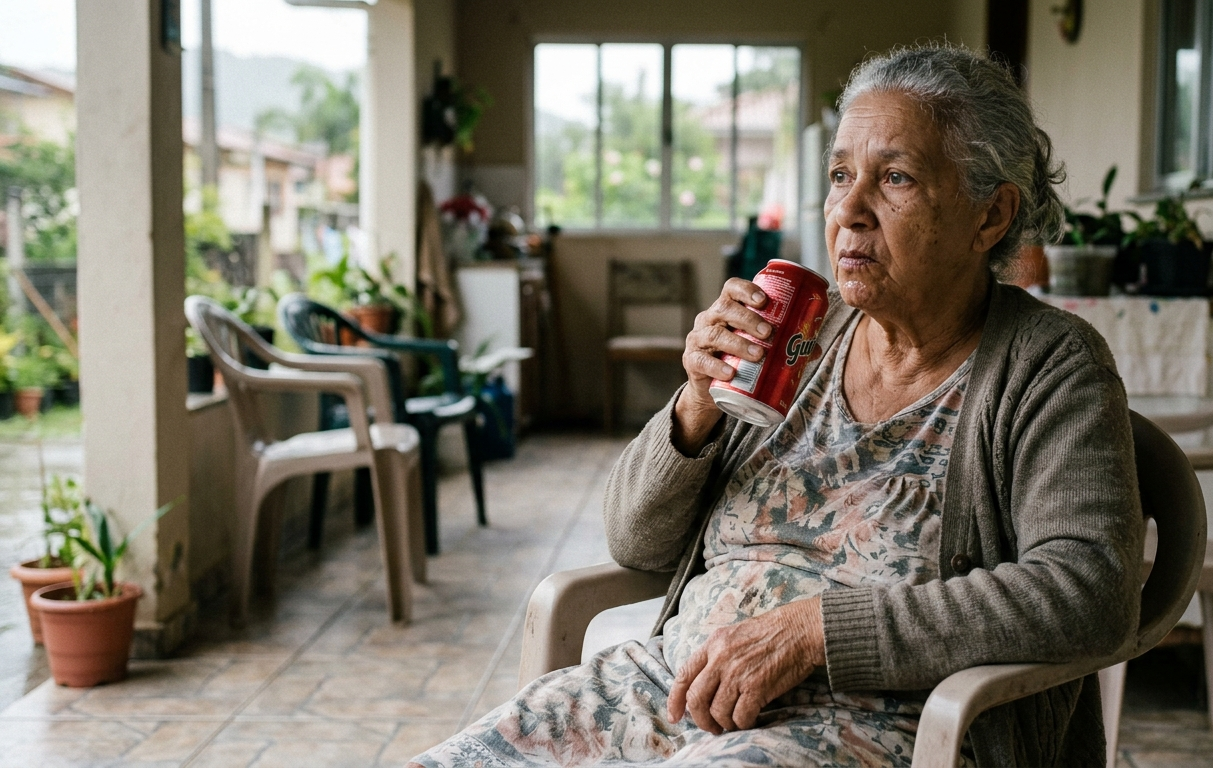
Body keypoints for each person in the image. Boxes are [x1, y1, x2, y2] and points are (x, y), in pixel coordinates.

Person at [410, 42, 1144, 768]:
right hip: (662, 691)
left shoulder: (1050, 363)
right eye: (839, 176)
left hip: (869, 727)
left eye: (895, 178)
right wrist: (696, 406)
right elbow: (634, 543)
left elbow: (1087, 590)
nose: (849, 210)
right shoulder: (800, 337)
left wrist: (816, 631)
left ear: (990, 216)